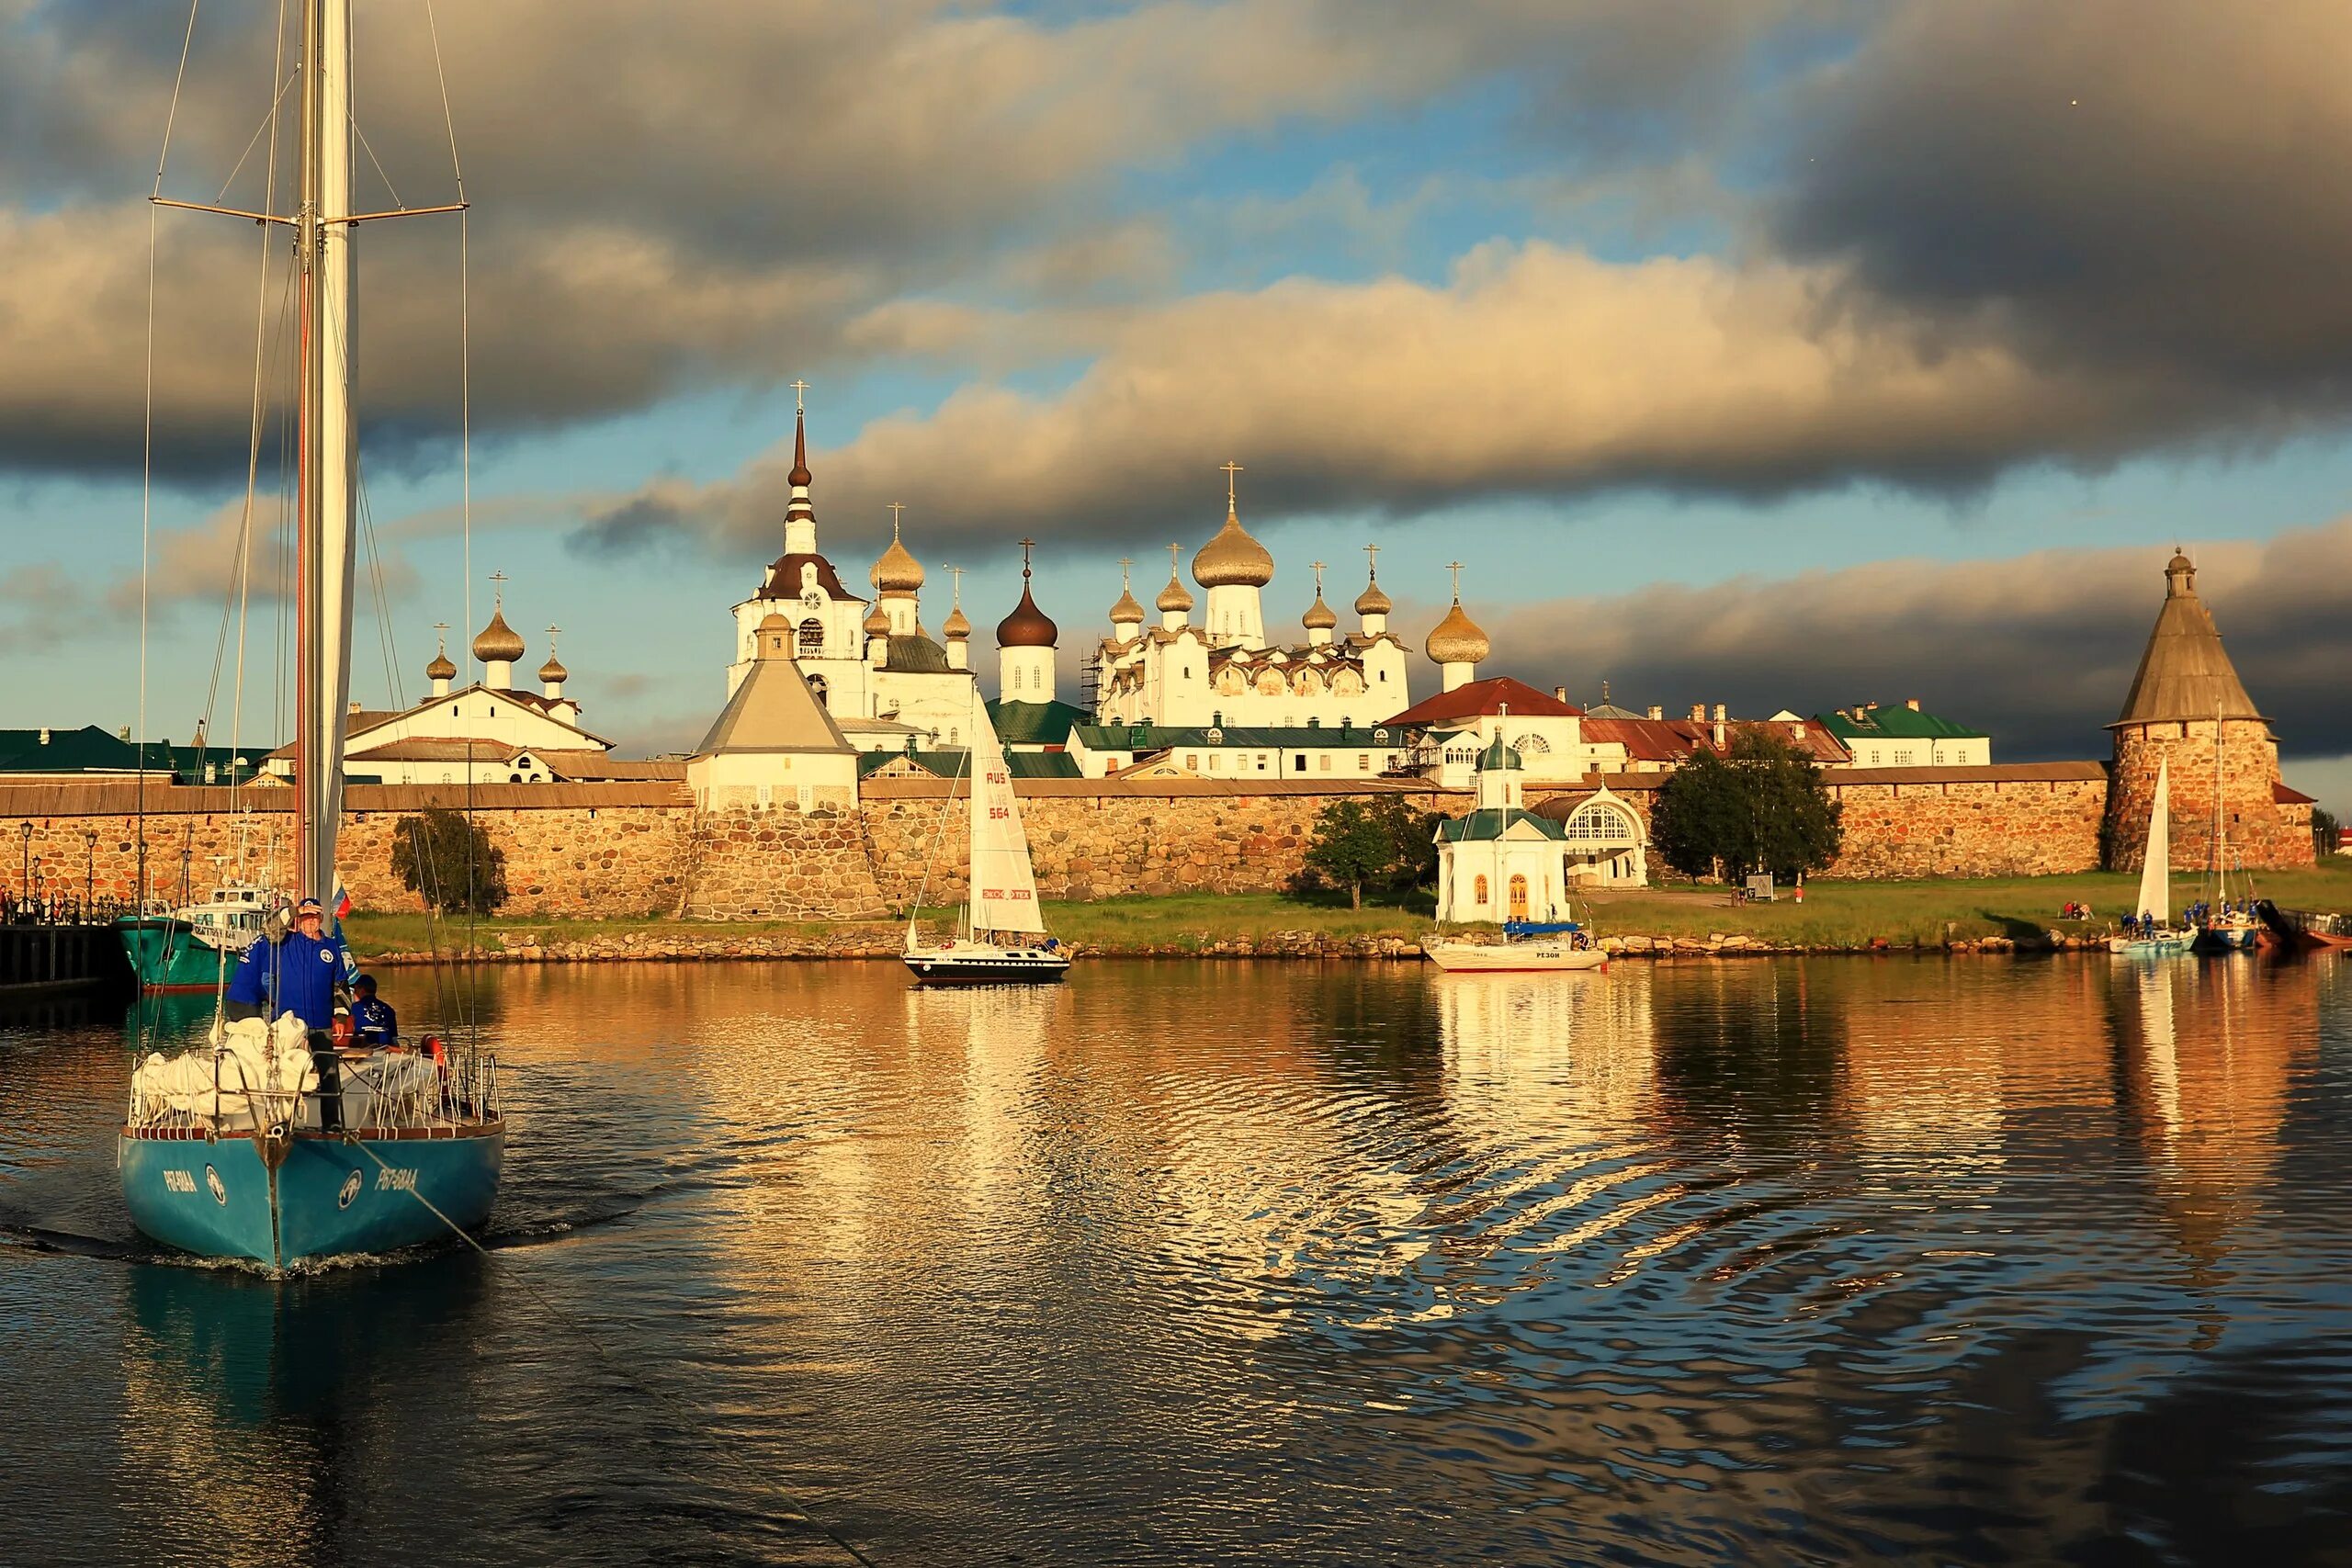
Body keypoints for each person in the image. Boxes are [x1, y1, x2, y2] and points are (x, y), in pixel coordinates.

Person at [223, 903, 291, 1022]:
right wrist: (277, 1002)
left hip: (234, 998)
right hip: (247, 1002)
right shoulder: (274, 945)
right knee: (253, 1039)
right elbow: (267, 979)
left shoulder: (261, 939)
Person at [350, 974, 398, 1046]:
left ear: (362, 990)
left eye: (355, 990)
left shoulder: (353, 1008)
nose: (354, 993)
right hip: (385, 1048)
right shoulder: (389, 1009)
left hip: (362, 1047)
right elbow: (394, 1039)